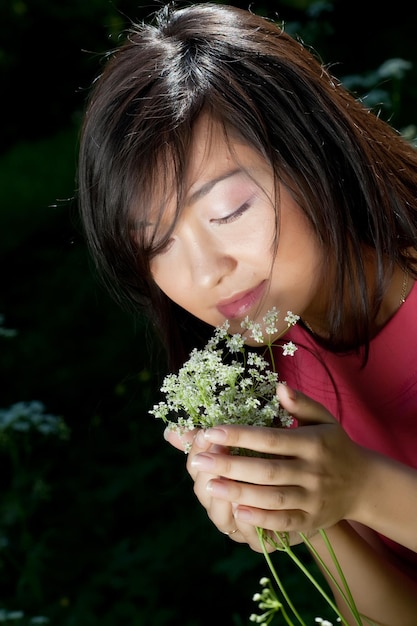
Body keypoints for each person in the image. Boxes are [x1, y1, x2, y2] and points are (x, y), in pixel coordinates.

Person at [77, 3, 417, 624]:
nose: (205, 273)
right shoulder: (285, 370)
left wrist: (364, 487)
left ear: (316, 153)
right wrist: (296, 512)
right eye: (155, 244)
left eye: (230, 210)